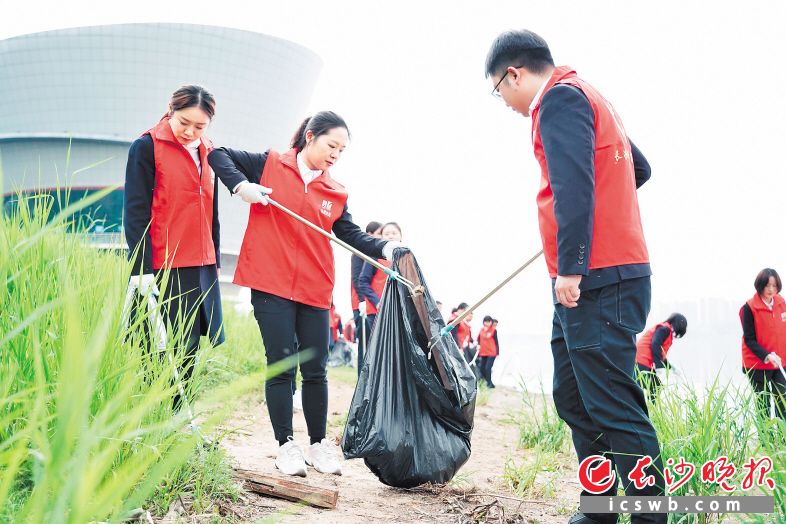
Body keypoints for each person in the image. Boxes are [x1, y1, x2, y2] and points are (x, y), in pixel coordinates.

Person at [485, 30, 664, 524]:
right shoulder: (586, 93)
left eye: (499, 90)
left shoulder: (559, 100)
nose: (505, 102)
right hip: (592, 276)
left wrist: (572, 262)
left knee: (610, 402)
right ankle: (600, 507)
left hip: (598, 279)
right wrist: (580, 225)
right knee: (572, 393)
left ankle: (651, 515)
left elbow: (573, 185)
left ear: (514, 74)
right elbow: (638, 170)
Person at [208, 111, 405, 477]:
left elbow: (352, 235)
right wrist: (239, 186)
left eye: (342, 150)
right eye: (332, 145)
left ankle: (318, 445)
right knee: (282, 365)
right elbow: (217, 155)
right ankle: (286, 446)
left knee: (316, 370)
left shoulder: (335, 191)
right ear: (311, 136)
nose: (336, 154)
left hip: (315, 288)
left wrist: (385, 248)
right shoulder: (269, 164)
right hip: (271, 284)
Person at [124, 85, 225, 410]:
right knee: (158, 346)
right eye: (184, 122)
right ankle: (155, 417)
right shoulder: (146, 147)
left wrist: (216, 257)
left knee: (189, 346)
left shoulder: (210, 151)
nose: (190, 132)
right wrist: (140, 269)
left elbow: (212, 211)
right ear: (170, 109)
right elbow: (136, 210)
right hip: (164, 263)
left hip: (201, 263)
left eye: (199, 126)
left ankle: (178, 418)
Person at [740, 268, 786, 421]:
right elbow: (749, 339)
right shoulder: (749, 307)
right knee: (764, 405)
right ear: (760, 285)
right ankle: (766, 442)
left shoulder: (781, 302)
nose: (771, 289)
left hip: (780, 362)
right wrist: (766, 355)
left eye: (774, 286)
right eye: (767, 286)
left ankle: (782, 441)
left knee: (782, 401)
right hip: (757, 365)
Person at [357, 222, 403, 334]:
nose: (391, 236)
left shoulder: (405, 259)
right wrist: (377, 302)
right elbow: (363, 282)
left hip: (398, 312)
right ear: (381, 237)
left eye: (394, 233)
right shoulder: (374, 257)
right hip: (377, 312)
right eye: (387, 234)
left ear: (401, 236)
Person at [635, 313, 688, 403]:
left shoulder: (665, 329)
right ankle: (650, 411)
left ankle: (648, 410)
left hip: (639, 362)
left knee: (653, 387)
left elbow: (660, 354)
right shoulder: (665, 329)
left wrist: (672, 368)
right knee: (656, 387)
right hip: (641, 362)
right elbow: (655, 345)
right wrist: (659, 368)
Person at [351, 221, 381, 376]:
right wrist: (362, 300)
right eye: (379, 234)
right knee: (364, 346)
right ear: (370, 234)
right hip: (361, 304)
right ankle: (361, 380)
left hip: (374, 306)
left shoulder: (377, 253)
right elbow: (357, 279)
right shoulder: (359, 253)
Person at [477, 315, 499, 388]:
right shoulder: (481, 330)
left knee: (488, 368)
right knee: (482, 368)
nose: (487, 323)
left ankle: (489, 384)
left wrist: (497, 352)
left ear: (491, 322)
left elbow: (496, 342)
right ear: (483, 322)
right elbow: (478, 339)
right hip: (483, 352)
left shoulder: (493, 330)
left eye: (489, 321)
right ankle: (489, 382)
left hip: (492, 353)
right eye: (486, 321)